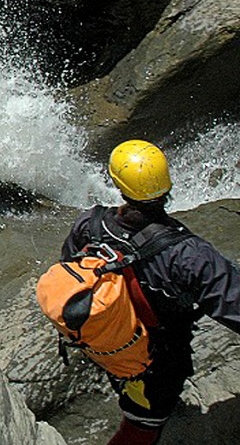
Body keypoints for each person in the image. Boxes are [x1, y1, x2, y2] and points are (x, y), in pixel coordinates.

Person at [60, 140, 240, 445]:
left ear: (118, 184)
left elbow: (70, 268)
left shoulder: (88, 225)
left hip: (108, 339)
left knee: (132, 386)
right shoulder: (188, 255)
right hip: (159, 362)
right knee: (142, 426)